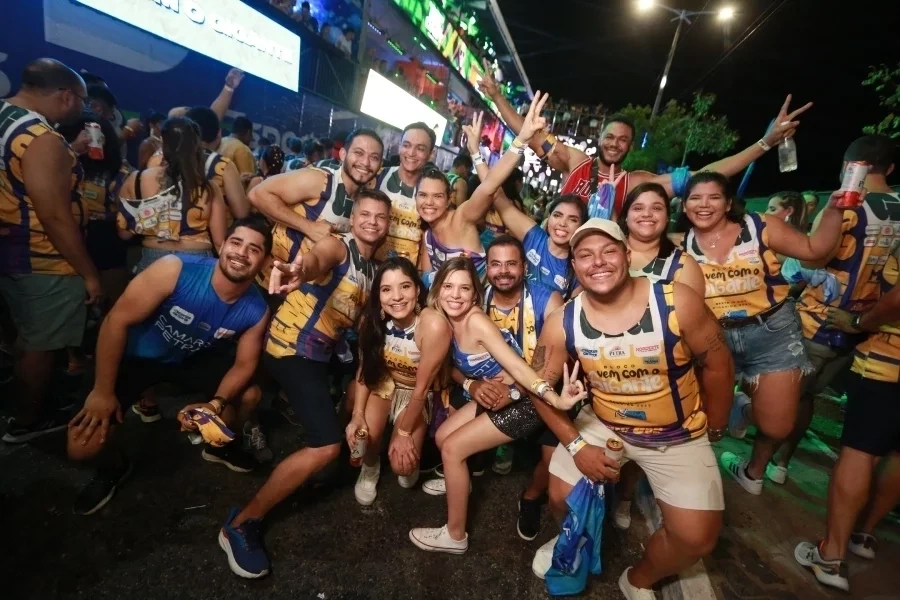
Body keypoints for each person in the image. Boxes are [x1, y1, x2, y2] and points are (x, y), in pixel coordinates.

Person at [528, 218, 734, 599]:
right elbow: (537, 387)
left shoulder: (677, 301)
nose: (598, 262)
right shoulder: (562, 321)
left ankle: (638, 579)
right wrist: (576, 445)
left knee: (696, 539)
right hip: (604, 424)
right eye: (585, 255)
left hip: (677, 432)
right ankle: (570, 537)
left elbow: (718, 364)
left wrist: (717, 426)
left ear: (626, 254)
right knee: (560, 497)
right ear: (574, 265)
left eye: (608, 251)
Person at [219, 190, 391, 579]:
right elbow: (316, 260)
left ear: (387, 225)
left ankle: (322, 466)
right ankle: (242, 523)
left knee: (359, 389)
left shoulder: (372, 268)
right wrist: (302, 269)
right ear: (354, 218)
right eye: (365, 214)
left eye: (380, 217)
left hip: (321, 353)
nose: (372, 222)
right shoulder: (339, 247)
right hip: (291, 348)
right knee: (326, 444)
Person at [66, 218, 272, 514]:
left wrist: (213, 405)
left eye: (254, 249)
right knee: (81, 448)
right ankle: (115, 467)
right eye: (236, 243)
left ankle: (219, 447)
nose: (241, 253)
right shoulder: (175, 269)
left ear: (264, 261)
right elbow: (115, 321)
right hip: (136, 357)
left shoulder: (257, 309)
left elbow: (244, 365)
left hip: (190, 357)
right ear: (222, 244)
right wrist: (102, 390)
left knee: (249, 395)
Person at [680, 171, 844, 495]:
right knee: (696, 416)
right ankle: (691, 476)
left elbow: (815, 250)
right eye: (695, 198)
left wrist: (835, 210)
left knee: (778, 425)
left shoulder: (760, 226)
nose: (704, 204)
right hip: (714, 337)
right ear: (684, 206)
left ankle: (749, 460)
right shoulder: (679, 243)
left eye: (714, 197)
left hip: (772, 331)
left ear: (728, 203)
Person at [408, 257, 578, 555]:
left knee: (452, 450)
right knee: (443, 437)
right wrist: (470, 385)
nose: (455, 295)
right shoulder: (441, 320)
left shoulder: (476, 322)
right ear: (438, 290)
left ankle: (455, 535)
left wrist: (552, 397)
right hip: (496, 396)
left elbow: (518, 366)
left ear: (475, 295)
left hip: (526, 402)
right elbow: (449, 365)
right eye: (448, 286)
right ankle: (459, 482)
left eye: (464, 288)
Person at [478, 69, 813, 217]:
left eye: (623, 140)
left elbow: (705, 176)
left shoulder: (637, 183)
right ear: (600, 139)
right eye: (610, 137)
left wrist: (764, 143)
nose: (615, 144)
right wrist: (495, 95)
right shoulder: (575, 162)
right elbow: (530, 133)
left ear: (630, 147)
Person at [772, 136, 899, 485]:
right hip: (863, 329)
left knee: (780, 395)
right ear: (890, 168)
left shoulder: (848, 205)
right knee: (807, 396)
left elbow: (811, 258)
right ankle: (781, 464)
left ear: (849, 166)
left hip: (816, 321)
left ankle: (756, 465)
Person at [0, 58, 102, 443]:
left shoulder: (5, 117)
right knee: (40, 345)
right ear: (65, 96)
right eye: (82, 100)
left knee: (22, 334)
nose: (83, 108)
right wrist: (89, 273)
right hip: (40, 257)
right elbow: (55, 216)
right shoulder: (40, 137)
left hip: (9, 250)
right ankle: (27, 421)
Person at [794, 251, 900, 592]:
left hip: (890, 363)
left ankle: (832, 556)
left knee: (860, 452)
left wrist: (858, 323)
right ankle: (864, 534)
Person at [348, 258, 452, 505]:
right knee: (363, 438)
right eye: (386, 289)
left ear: (417, 289)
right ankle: (370, 468)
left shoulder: (433, 324)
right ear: (378, 295)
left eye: (405, 286)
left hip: (416, 392)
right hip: (384, 384)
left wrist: (404, 433)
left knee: (403, 467)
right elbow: (365, 370)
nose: (396, 297)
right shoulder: (371, 320)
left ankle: (406, 453)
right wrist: (357, 415)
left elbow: (422, 389)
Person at [419, 95, 548, 284]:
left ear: (448, 199)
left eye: (437, 196)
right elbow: (426, 279)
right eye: (422, 195)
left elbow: (490, 186)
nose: (429, 202)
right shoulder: (428, 236)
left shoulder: (462, 218)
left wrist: (521, 139)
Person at [248, 128, 384, 295]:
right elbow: (257, 194)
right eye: (359, 153)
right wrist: (308, 226)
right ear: (343, 154)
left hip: (303, 297)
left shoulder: (363, 200)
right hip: (268, 284)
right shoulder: (320, 179)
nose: (366, 162)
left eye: (374, 157)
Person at [116, 117, 227, 273]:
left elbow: (124, 233)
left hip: (154, 261)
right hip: (198, 263)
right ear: (197, 145)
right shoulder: (209, 188)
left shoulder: (137, 179)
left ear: (163, 141)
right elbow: (219, 242)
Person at [56, 113, 133, 307]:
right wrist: (73, 149)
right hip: (69, 233)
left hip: (106, 238)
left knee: (113, 301)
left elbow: (127, 211)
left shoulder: (119, 169)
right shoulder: (65, 161)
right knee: (74, 300)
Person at [491, 191, 586, 296]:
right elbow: (498, 198)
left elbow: (573, 305)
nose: (562, 223)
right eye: (557, 215)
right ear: (548, 218)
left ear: (581, 227)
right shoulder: (533, 236)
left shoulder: (578, 268)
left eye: (573, 220)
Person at [618, 182, 705, 297]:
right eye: (638, 208)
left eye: (656, 208)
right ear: (626, 216)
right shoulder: (605, 255)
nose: (647, 214)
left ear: (667, 217)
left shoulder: (683, 265)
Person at [374, 122, 435, 263]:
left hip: (409, 272)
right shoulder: (377, 177)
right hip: (372, 267)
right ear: (399, 146)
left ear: (431, 154)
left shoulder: (433, 191)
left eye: (420, 148)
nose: (411, 153)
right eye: (406, 145)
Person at [181, 107, 251, 220]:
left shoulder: (168, 158)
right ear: (218, 133)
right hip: (211, 229)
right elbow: (241, 213)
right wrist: (252, 187)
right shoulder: (223, 165)